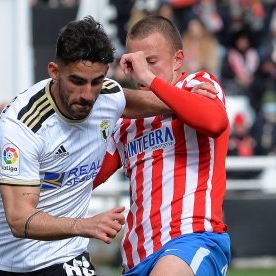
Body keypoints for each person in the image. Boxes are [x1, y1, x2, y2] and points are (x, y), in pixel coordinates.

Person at [0, 16, 216, 275]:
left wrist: (185, 99)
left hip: (64, 255)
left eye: (96, 82)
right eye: (77, 81)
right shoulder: (23, 125)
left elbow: (131, 100)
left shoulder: (107, 97)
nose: (88, 95)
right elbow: (19, 219)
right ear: (54, 71)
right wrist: (85, 225)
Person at [94, 15, 230, 275]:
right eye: (134, 64)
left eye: (151, 62)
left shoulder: (198, 84)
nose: (141, 73)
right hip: (136, 256)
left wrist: (150, 79)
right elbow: (90, 177)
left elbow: (215, 122)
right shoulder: (126, 122)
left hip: (192, 238)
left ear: (178, 59)